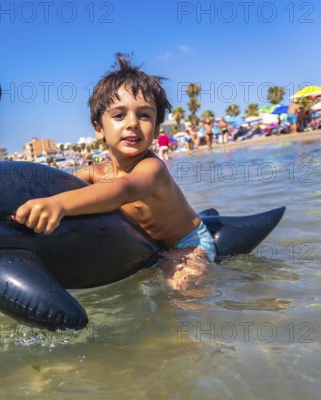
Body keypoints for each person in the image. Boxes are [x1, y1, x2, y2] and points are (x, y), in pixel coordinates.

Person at [13, 53, 216, 291]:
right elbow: (59, 181)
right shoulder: (96, 172)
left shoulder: (151, 169)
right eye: (119, 115)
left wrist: (59, 204)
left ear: (156, 128)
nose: (132, 123)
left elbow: (123, 189)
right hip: (148, 246)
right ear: (99, 129)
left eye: (144, 115)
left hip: (187, 243)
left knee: (179, 291)